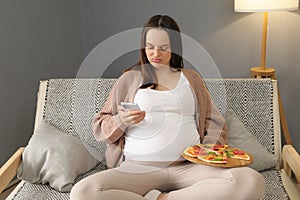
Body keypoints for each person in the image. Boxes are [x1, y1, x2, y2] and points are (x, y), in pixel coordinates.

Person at [70, 14, 265, 200]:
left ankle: (165, 198)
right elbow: (100, 127)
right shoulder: (129, 79)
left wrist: (208, 149)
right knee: (82, 192)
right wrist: (120, 120)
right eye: (150, 47)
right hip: (138, 168)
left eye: (164, 48)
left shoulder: (192, 80)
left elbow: (214, 121)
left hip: (189, 167)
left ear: (175, 48)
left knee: (252, 181)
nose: (156, 54)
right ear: (143, 47)